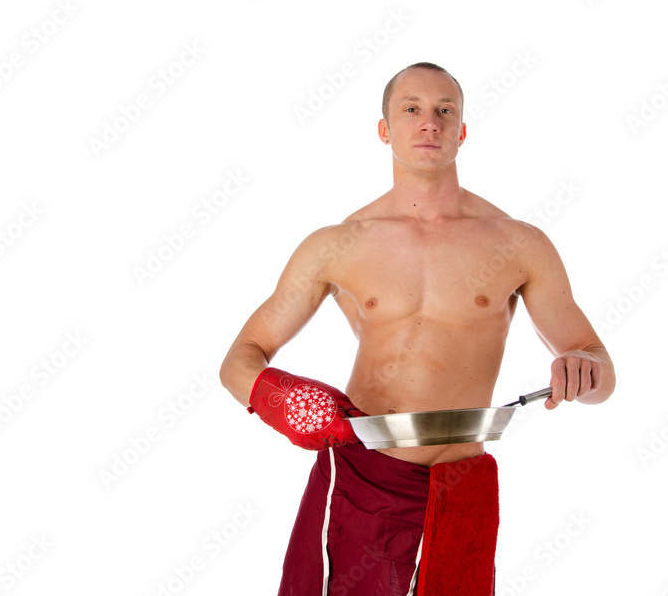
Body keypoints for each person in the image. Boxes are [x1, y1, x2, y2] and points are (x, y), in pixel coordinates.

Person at [219, 62, 616, 595]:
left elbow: (600, 369)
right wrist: (283, 402)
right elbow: (240, 358)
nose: (429, 123)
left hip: (460, 489)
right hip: (361, 480)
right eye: (411, 109)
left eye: (444, 111)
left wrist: (583, 368)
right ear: (384, 129)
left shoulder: (519, 244)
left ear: (462, 131)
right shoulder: (338, 244)